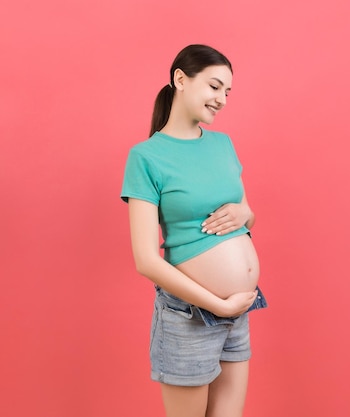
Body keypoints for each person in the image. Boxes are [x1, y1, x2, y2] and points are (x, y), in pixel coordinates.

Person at [121, 44, 267, 417]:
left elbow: (246, 217)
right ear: (180, 79)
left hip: (238, 311)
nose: (221, 100)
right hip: (191, 315)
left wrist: (246, 211)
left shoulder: (223, 144)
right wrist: (217, 305)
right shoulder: (146, 157)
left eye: (227, 93)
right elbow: (145, 260)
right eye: (214, 87)